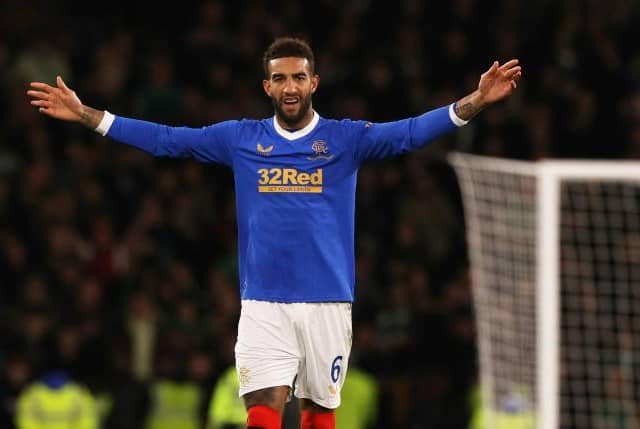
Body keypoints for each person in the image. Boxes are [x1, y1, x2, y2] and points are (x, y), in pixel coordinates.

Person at [27, 36, 522, 429]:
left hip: (328, 301)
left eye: (299, 77)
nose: (290, 86)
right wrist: (90, 116)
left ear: (314, 82)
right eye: (280, 78)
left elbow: (410, 132)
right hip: (264, 302)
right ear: (267, 86)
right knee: (263, 408)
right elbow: (167, 141)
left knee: (317, 414)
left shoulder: (346, 139)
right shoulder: (241, 139)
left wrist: (477, 99)